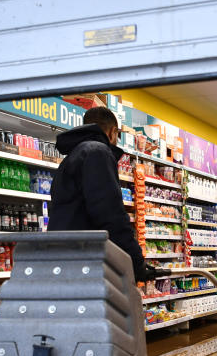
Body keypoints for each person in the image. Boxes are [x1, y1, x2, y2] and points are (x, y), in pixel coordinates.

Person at [48, 106, 155, 282]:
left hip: (65, 259)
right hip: (86, 262)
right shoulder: (98, 152)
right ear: (113, 132)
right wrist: (136, 263)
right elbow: (110, 214)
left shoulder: (71, 158)